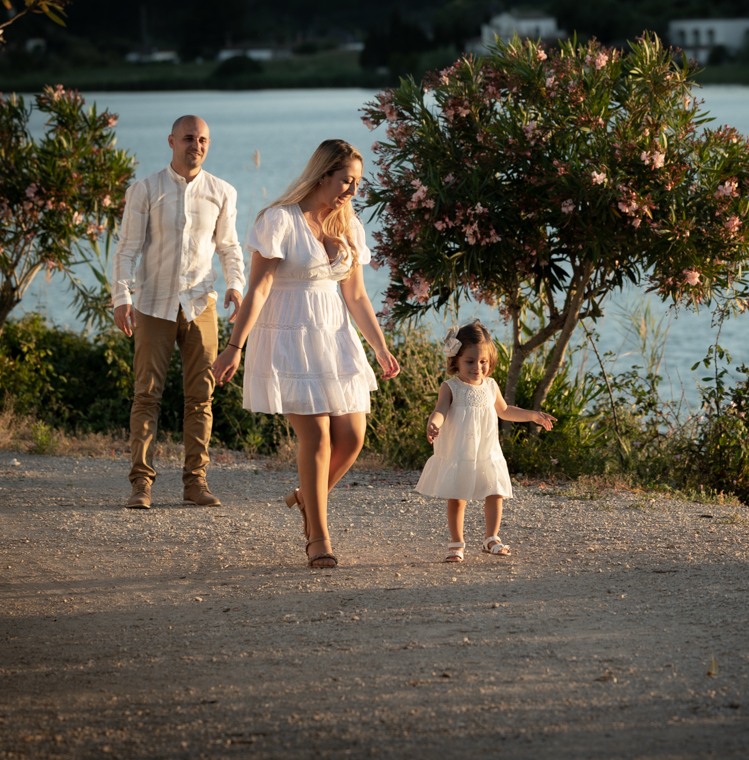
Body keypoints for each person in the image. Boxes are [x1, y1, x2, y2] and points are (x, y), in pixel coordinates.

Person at [211, 139, 399, 569]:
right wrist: (235, 346)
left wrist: (380, 347)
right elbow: (258, 289)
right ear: (322, 175)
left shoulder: (350, 226)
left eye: (357, 183)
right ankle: (318, 536)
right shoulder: (279, 220)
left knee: (352, 438)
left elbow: (355, 296)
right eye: (346, 181)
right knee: (316, 436)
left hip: (334, 334)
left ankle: (304, 498)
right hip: (288, 336)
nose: (352, 190)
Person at [112, 115, 246, 510]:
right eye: (189, 138)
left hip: (200, 304)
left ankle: (195, 482)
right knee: (146, 396)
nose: (197, 145)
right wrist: (121, 297)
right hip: (153, 304)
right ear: (171, 141)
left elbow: (230, 247)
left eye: (203, 139)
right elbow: (126, 249)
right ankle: (141, 485)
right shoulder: (145, 189)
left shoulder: (223, 192)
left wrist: (235, 285)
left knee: (201, 397)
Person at [416, 319, 556, 562]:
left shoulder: (490, 386)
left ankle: (491, 538)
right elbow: (440, 410)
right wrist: (434, 423)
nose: (477, 367)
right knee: (457, 498)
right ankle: (456, 545)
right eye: (470, 361)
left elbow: (505, 411)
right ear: (455, 360)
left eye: (483, 362)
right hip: (460, 452)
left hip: (487, 451)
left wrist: (533, 415)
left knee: (495, 492)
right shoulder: (450, 387)